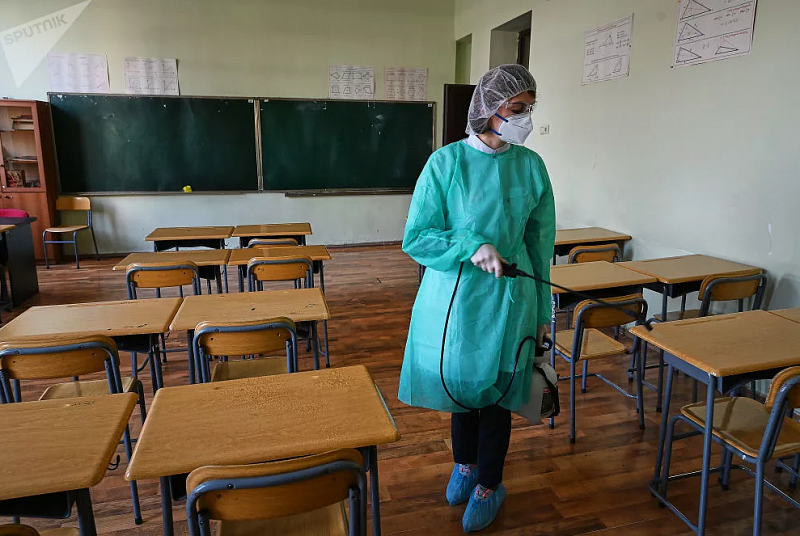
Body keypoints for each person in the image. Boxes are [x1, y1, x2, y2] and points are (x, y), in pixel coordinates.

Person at [399, 64, 556, 532]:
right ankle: (464, 465)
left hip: (513, 298)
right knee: (463, 386)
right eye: (516, 108)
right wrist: (471, 246)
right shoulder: (446, 164)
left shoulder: (531, 167)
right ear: (489, 108)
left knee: (499, 395)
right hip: (459, 299)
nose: (525, 118)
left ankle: (489, 483)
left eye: (529, 108)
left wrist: (543, 312)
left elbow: (539, 245)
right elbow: (418, 238)